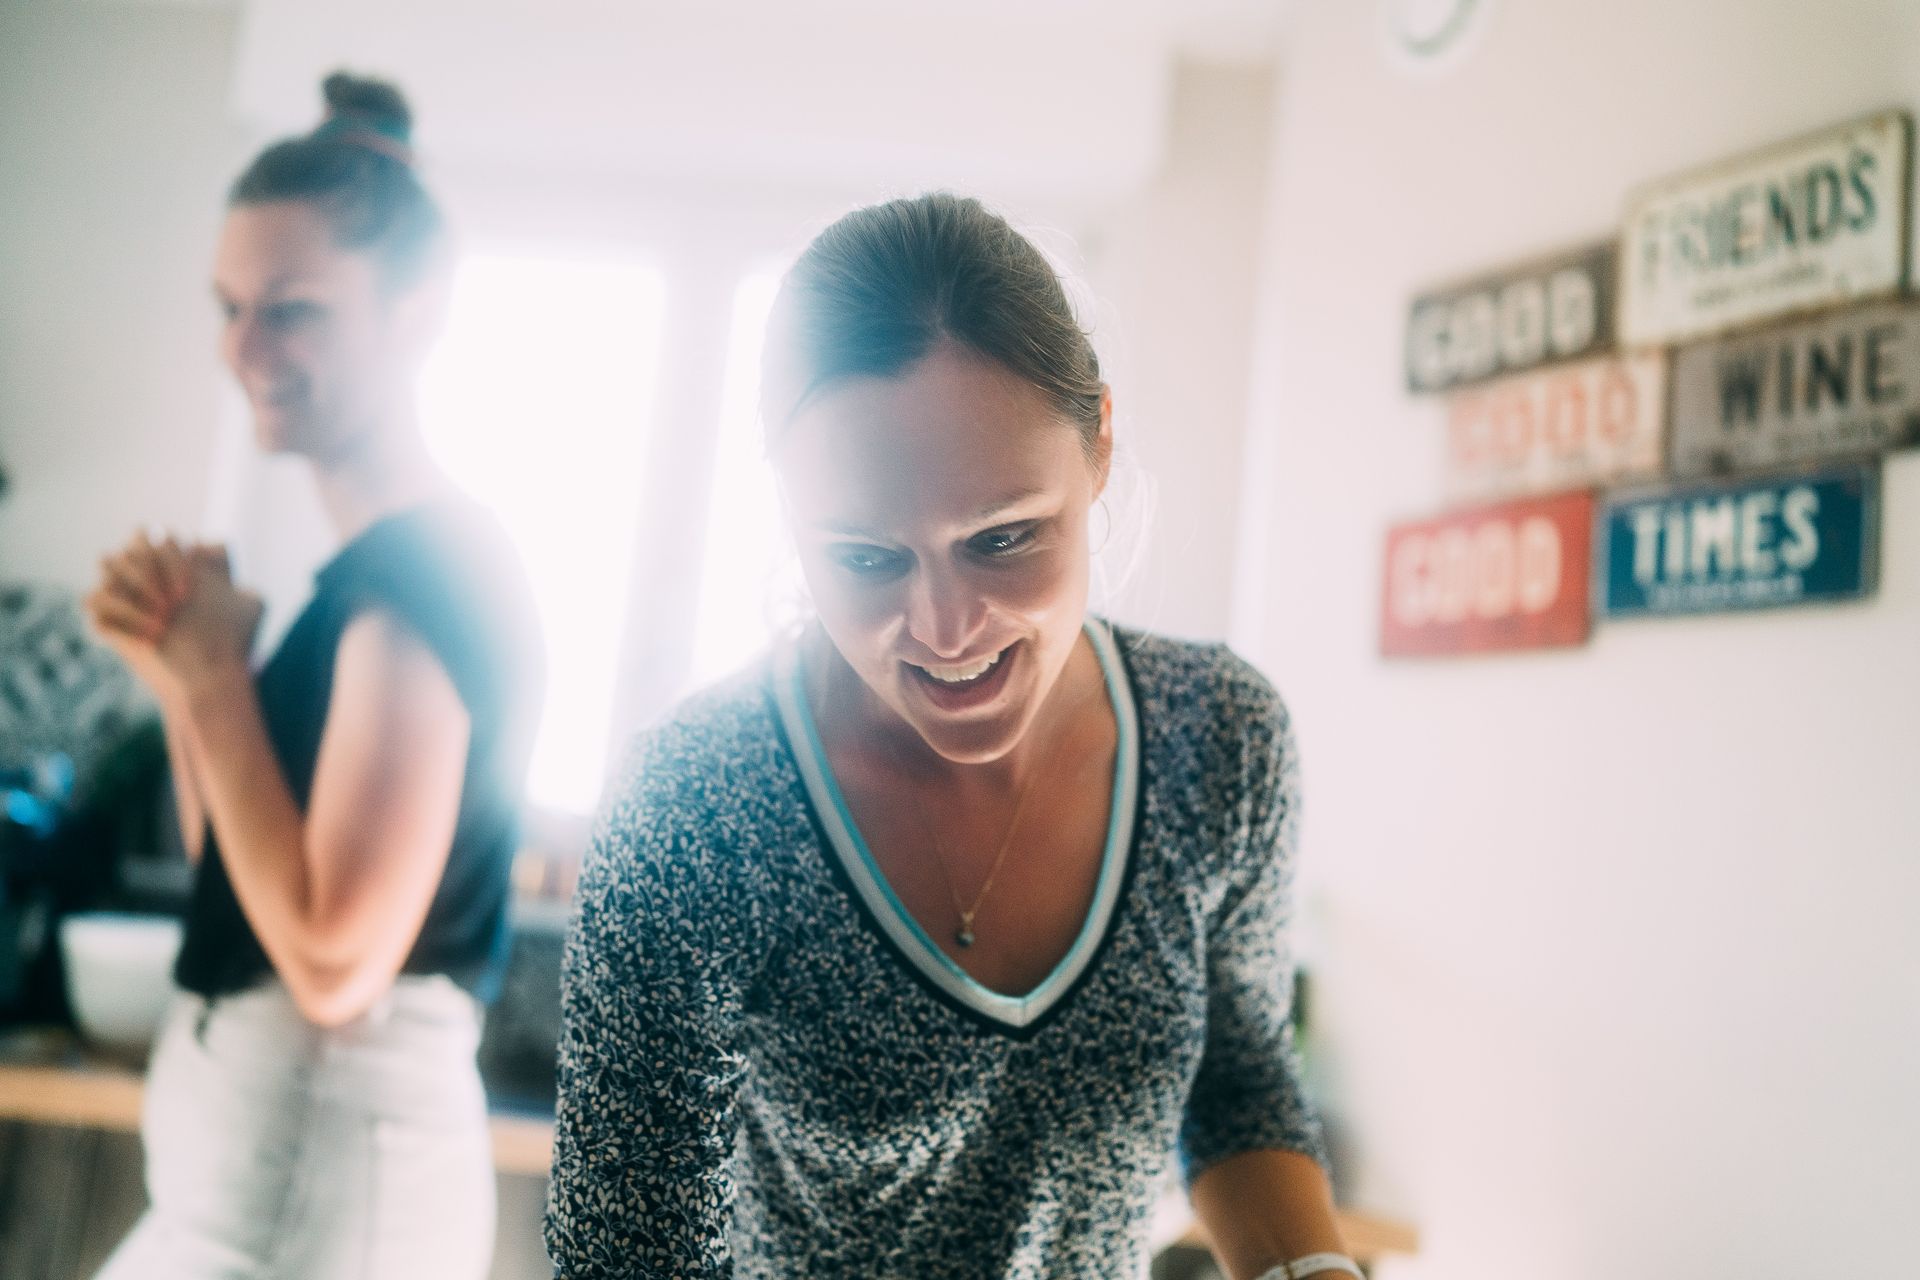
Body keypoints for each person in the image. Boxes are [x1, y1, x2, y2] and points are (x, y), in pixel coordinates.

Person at [546, 193, 1353, 1280]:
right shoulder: (696, 804)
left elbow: (1238, 1082)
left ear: (1101, 443)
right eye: (868, 557)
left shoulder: (1222, 738)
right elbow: (626, 1258)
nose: (944, 630)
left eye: (1005, 537)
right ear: (789, 511)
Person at [84, 72, 543, 1280]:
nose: (245, 347)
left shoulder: (410, 585)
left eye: (294, 309)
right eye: (231, 305)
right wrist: (194, 668)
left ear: (416, 310)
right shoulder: (366, 581)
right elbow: (238, 880)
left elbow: (335, 962)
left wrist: (216, 682)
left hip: (317, 1161)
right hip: (274, 1168)